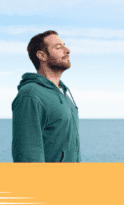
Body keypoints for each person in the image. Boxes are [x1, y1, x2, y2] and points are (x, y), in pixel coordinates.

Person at [11, 30, 80, 162]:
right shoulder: (31, 95)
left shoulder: (64, 93)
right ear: (42, 56)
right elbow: (27, 156)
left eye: (64, 45)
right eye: (58, 47)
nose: (68, 50)